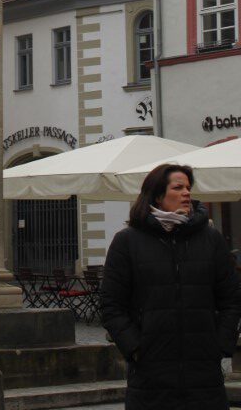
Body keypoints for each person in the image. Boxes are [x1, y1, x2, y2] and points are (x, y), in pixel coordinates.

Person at [101, 163, 241, 410]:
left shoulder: (211, 239)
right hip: (150, 375)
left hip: (203, 374)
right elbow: (111, 305)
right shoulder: (127, 241)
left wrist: (220, 345)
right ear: (157, 194)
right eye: (178, 187)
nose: (186, 193)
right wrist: (135, 348)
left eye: (188, 187)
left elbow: (232, 298)